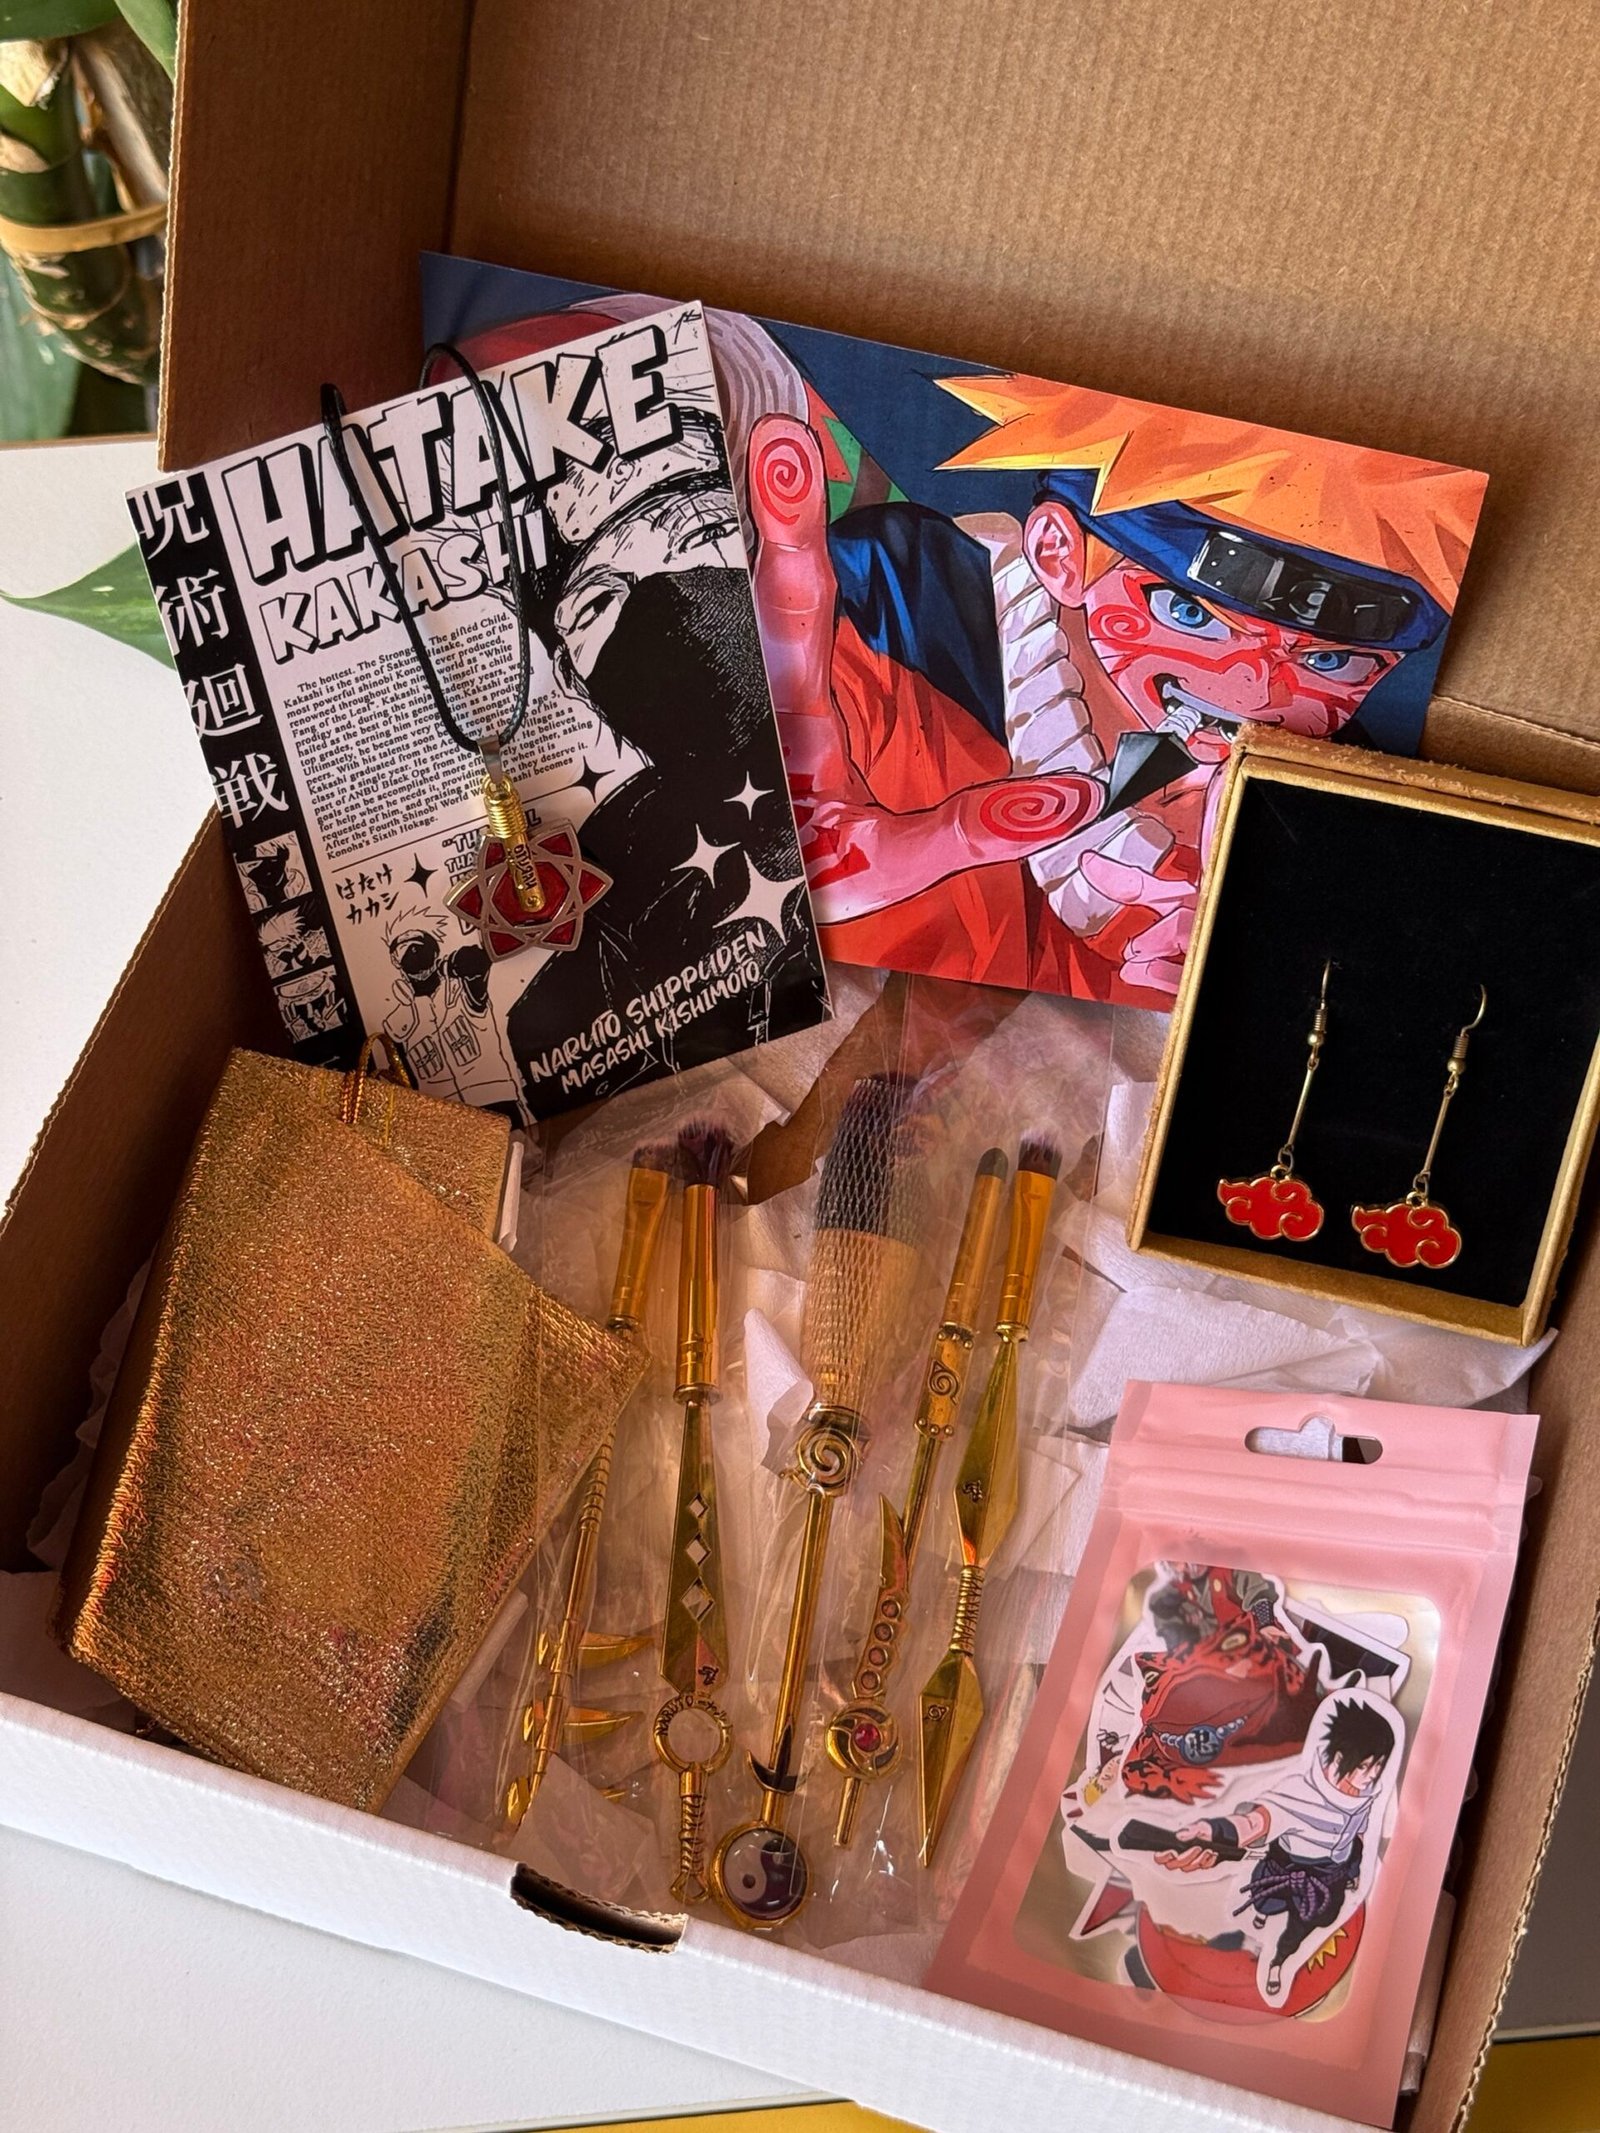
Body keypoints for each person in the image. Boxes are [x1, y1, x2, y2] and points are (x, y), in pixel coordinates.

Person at [1157, 1694, 1399, 2000]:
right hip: (1286, 1866)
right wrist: (1215, 1831)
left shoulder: (1368, 1795)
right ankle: (1262, 1912)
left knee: (1302, 1928)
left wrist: (1355, 1869)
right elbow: (1257, 1822)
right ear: (1339, 1758)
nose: (1373, 1775)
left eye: (1378, 1766)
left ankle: (1278, 1962)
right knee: (1266, 1902)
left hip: (1329, 1877)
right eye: (1365, 1766)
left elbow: (1360, 1834)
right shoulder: (1299, 1790)